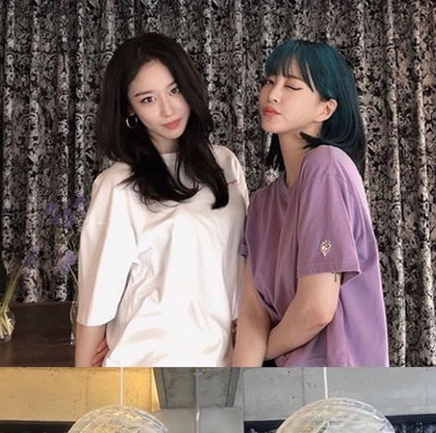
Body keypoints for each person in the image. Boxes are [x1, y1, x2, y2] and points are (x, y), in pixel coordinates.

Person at [75, 32, 248, 367]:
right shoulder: (118, 186)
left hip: (225, 364)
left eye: (175, 90)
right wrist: (84, 384)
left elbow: (243, 259)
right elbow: (97, 299)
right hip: (147, 365)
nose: (168, 109)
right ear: (130, 109)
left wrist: (248, 325)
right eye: (148, 99)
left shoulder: (225, 164)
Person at [233, 38, 389, 367]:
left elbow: (317, 308)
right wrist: (240, 389)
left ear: (325, 109)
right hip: (283, 386)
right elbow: (252, 313)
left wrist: (264, 350)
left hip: (336, 384)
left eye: (292, 86)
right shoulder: (260, 205)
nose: (273, 94)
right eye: (269, 81)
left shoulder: (326, 166)